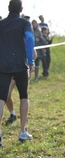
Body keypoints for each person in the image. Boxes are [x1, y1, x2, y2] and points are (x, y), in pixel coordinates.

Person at [0, 0, 35, 147]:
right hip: (20, 64)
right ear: (21, 9)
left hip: (3, 65)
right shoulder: (24, 23)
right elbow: (30, 39)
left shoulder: (0, 24)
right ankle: (22, 132)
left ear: (8, 8)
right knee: (24, 96)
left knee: (1, 99)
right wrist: (30, 61)